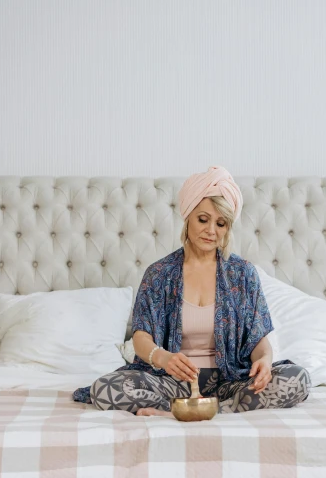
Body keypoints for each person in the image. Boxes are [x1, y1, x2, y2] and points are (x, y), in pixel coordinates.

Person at [72, 165, 311, 416]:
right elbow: (141, 338)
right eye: (203, 219)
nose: (211, 231)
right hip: (170, 381)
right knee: (105, 388)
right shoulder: (159, 274)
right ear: (188, 217)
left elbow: (258, 339)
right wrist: (164, 358)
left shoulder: (243, 274)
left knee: (297, 378)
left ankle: (192, 412)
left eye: (221, 223)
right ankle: (192, 409)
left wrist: (263, 360)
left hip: (231, 382)